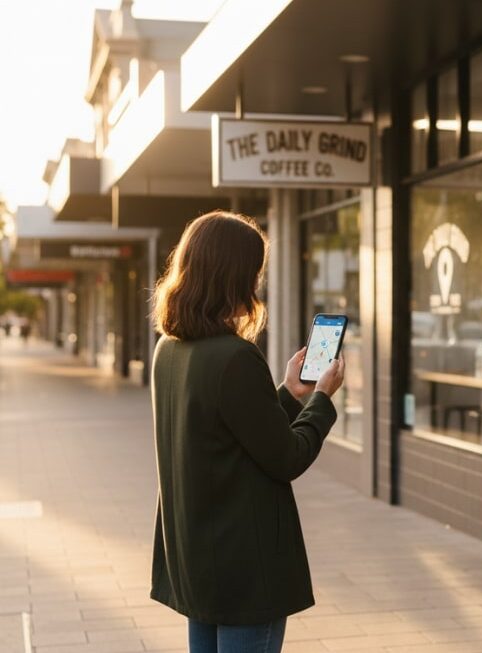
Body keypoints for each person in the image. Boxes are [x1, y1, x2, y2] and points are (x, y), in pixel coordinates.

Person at [149, 210, 345, 653]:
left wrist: (290, 393)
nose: (256, 285)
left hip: (198, 560)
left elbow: (228, 431)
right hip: (244, 568)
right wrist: (322, 399)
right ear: (233, 277)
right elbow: (287, 457)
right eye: (253, 273)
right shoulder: (235, 356)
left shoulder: (168, 350)